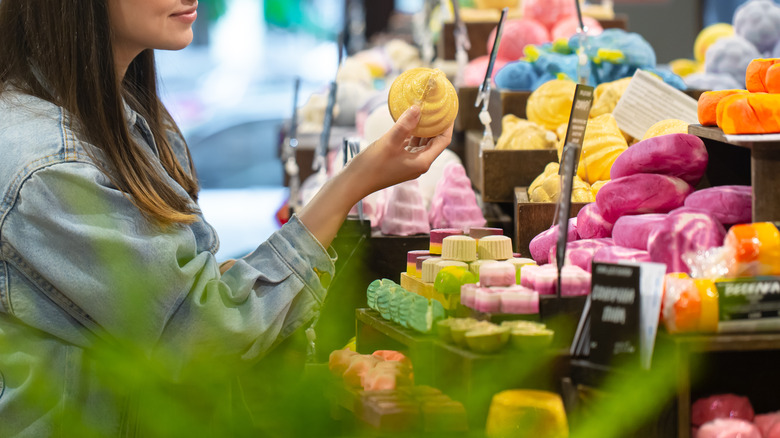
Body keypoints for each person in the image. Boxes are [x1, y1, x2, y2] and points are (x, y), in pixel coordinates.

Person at [0, 0, 453, 436]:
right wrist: (353, 183)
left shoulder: (115, 120)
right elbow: (206, 332)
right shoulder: (51, 170)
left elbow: (181, 293)